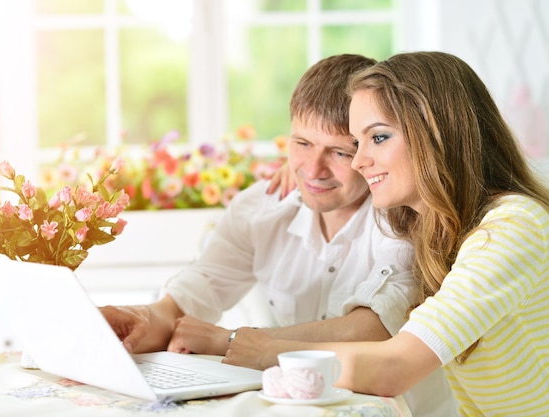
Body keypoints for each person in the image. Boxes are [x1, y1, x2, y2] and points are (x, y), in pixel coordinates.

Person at [101, 54, 456, 417]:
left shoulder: (404, 213)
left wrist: (233, 341)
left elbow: (375, 328)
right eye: (302, 144)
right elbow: (185, 303)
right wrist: (142, 317)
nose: (313, 170)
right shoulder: (261, 208)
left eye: (338, 151)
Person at [225, 51, 549, 416]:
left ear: (437, 135)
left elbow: (394, 367)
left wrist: (267, 350)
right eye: (356, 144)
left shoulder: (513, 227)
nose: (360, 161)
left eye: (377, 138)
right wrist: (306, 175)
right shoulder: (438, 232)